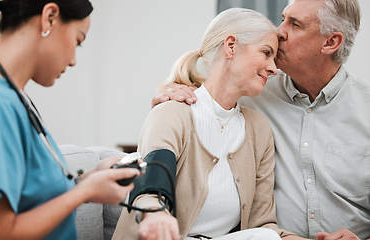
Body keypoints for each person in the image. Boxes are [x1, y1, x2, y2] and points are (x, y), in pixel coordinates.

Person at [151, 0, 370, 239]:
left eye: (295, 24)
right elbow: (211, 87)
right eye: (284, 18)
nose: (279, 31)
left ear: (330, 42)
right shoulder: (253, 89)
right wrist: (172, 95)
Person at [113, 7, 302, 240]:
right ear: (231, 46)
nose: (274, 68)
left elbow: (262, 226)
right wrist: (156, 215)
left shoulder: (259, 129)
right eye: (266, 53)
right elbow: (150, 191)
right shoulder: (172, 113)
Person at [0, 1, 141, 239]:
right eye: (78, 41)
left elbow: (32, 196)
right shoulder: (2, 105)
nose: (74, 60)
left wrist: (89, 178)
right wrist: (84, 192)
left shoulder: (16, 101)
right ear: (50, 17)